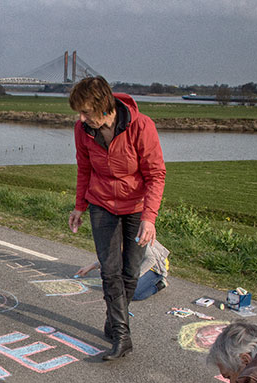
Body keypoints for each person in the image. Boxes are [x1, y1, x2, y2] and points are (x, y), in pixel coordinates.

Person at [67, 76, 166, 360]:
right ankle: (123, 336)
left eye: (85, 112)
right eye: (79, 112)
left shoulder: (141, 126)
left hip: (135, 207)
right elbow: (84, 168)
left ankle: (114, 321)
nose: (81, 117)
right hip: (101, 204)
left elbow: (156, 174)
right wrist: (79, 206)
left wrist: (149, 217)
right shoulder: (82, 130)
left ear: (103, 107)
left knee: (130, 272)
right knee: (110, 271)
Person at [75, 239, 169, 302]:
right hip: (135, 262)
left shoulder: (135, 238)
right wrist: (91, 267)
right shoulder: (117, 239)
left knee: (132, 293)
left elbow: (151, 259)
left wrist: (133, 278)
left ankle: (159, 284)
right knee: (110, 271)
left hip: (155, 267)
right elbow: (112, 257)